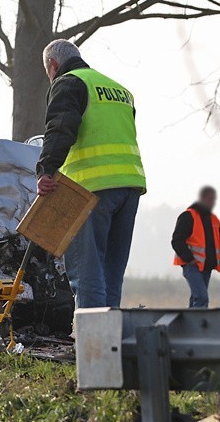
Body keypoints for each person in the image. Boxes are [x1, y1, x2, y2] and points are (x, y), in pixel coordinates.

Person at [36, 39, 146, 308]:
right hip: (130, 186)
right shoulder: (119, 90)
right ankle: (110, 344)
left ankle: (91, 347)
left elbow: (60, 129)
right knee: (111, 274)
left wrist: (46, 169)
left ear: (53, 65)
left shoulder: (68, 83)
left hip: (90, 187)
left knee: (87, 275)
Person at [172, 186, 220, 308]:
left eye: (214, 199)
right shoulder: (188, 216)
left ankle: (189, 325)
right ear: (202, 198)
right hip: (192, 266)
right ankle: (200, 325)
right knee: (201, 298)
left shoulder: (214, 220)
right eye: (210, 199)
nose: (212, 202)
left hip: (207, 267)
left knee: (196, 297)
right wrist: (189, 259)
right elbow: (177, 241)